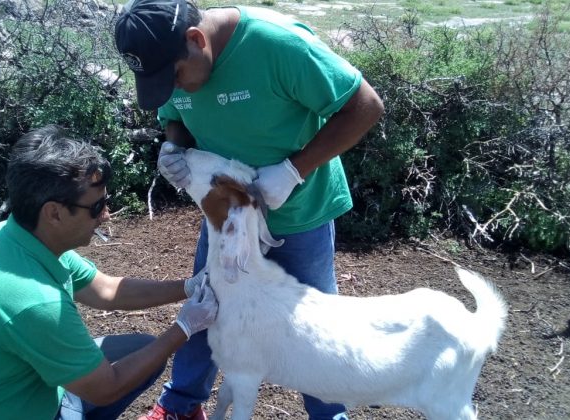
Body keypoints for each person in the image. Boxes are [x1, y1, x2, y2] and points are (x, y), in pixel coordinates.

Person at [115, 0, 384, 419]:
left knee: (313, 324)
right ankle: (182, 404)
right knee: (207, 301)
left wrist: (293, 171)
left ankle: (329, 414)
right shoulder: (178, 64)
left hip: (299, 216)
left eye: (175, 77)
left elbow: (365, 106)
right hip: (225, 217)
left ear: (196, 40)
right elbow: (175, 116)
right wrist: (174, 147)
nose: (176, 88)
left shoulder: (278, 45)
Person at [0, 125, 219, 420]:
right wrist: (183, 328)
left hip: (16, 392)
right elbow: (106, 388)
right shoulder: (34, 302)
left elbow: (105, 289)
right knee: (127, 368)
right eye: (97, 206)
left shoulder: (8, 237)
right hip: (24, 410)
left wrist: (189, 287)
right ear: (54, 213)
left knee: (140, 350)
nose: (106, 215)